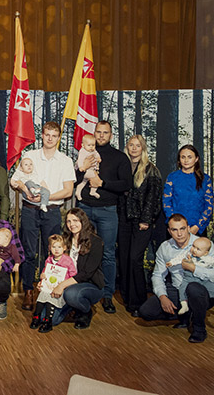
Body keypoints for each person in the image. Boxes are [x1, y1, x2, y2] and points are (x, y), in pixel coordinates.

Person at [14, 121, 75, 311]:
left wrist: (46, 198)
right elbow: (15, 181)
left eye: (54, 136)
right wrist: (26, 190)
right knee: (29, 251)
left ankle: (47, 291)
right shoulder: (30, 155)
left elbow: (68, 191)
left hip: (52, 211)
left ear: (59, 138)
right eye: (47, 134)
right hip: (30, 210)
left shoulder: (65, 160)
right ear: (42, 135)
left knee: (52, 252)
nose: (50, 138)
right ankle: (28, 291)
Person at [139, 214, 214, 343]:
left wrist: (194, 269)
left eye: (182, 229)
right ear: (169, 231)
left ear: (188, 228)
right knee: (146, 312)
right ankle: (186, 314)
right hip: (178, 289)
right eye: (174, 230)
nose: (179, 234)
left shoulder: (203, 244)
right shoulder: (165, 247)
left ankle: (199, 328)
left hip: (202, 291)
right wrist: (162, 297)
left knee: (193, 288)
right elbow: (158, 275)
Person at [74, 120, 132, 314]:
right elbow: (73, 180)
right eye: (98, 132)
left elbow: (126, 184)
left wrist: (103, 183)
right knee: (82, 250)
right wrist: (82, 168)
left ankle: (107, 295)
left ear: (111, 135)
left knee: (107, 253)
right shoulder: (84, 153)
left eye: (105, 132)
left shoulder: (119, 157)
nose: (101, 135)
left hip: (107, 210)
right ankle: (81, 291)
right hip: (84, 208)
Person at [118, 135, 163, 316]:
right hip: (123, 220)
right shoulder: (123, 167)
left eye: (138, 145)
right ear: (127, 147)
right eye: (131, 145)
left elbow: (153, 197)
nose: (134, 148)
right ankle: (127, 298)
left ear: (143, 148)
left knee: (135, 259)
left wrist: (146, 219)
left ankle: (138, 302)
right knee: (124, 258)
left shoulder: (151, 170)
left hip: (141, 222)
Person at [50, 208, 104, 330]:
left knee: (71, 294)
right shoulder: (64, 241)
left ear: (83, 221)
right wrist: (46, 281)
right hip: (67, 282)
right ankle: (72, 306)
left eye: (75, 220)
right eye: (68, 221)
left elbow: (86, 273)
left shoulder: (95, 242)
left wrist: (61, 286)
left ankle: (85, 311)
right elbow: (54, 264)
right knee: (51, 319)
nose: (72, 224)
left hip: (90, 285)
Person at [166, 237, 214, 314]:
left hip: (202, 279)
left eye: (198, 249)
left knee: (212, 287)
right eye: (193, 246)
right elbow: (179, 258)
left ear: (205, 253)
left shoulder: (208, 259)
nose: (194, 250)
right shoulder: (188, 254)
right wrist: (172, 262)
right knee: (182, 289)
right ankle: (184, 305)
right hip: (188, 278)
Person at [162, 144, 214, 237]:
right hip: (176, 229)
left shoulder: (205, 179)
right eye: (183, 157)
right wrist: (176, 226)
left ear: (196, 159)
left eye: (189, 157)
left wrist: (197, 226)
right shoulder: (172, 177)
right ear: (179, 159)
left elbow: (209, 206)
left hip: (197, 229)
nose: (186, 160)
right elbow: (166, 202)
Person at [30, 235, 77, 333]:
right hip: (49, 286)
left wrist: (64, 283)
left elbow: (73, 275)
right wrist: (42, 276)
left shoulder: (67, 260)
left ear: (64, 248)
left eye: (59, 247)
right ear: (49, 248)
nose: (56, 250)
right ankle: (36, 316)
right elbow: (45, 271)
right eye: (54, 247)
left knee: (51, 299)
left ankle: (48, 321)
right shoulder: (49, 259)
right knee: (42, 297)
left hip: (61, 288)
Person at [75, 134, 102, 200]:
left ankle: (78, 192)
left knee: (83, 182)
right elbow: (80, 160)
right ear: (83, 145)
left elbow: (97, 154)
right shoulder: (82, 151)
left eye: (93, 145)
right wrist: (81, 167)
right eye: (89, 145)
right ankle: (92, 191)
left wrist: (98, 158)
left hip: (91, 169)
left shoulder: (94, 151)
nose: (91, 147)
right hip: (85, 170)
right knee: (95, 178)